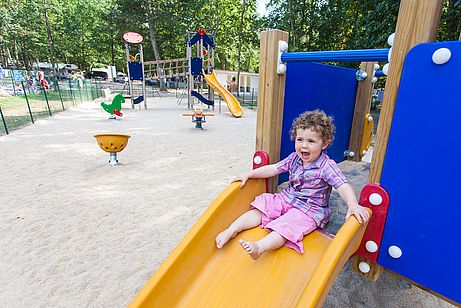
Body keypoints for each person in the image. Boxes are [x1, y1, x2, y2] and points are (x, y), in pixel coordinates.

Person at [215, 110, 370, 259]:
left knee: (286, 226)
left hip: (309, 210)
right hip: (287, 198)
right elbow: (274, 168)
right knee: (264, 206)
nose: (303, 146)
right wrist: (250, 174)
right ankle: (232, 230)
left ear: (324, 144)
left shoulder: (326, 166)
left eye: (311, 141)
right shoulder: (294, 158)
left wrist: (352, 204)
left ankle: (260, 247)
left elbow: (342, 184)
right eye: (299, 139)